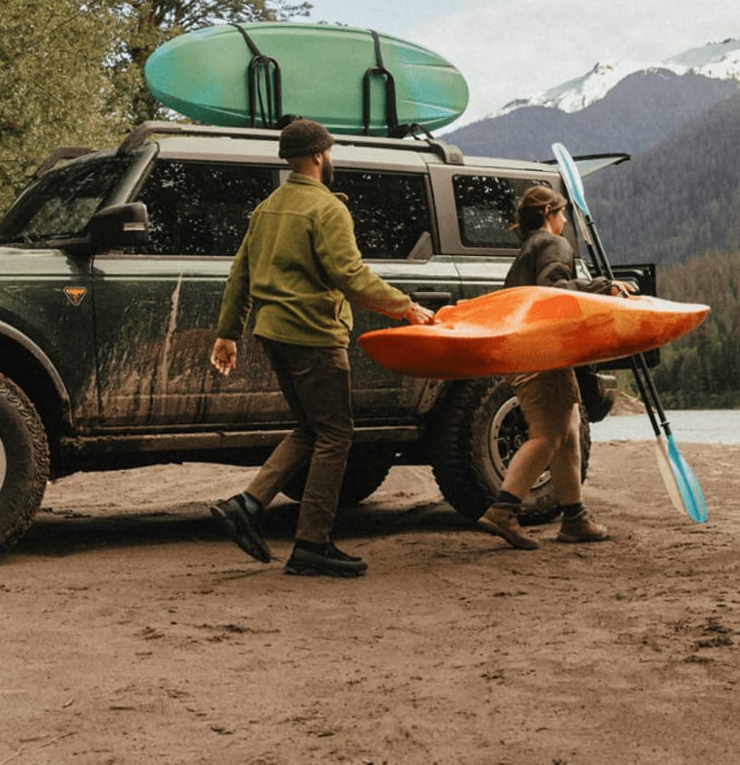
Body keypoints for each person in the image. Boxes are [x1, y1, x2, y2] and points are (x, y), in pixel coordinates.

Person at [209, 118, 436, 578]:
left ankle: (248, 504)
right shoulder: (327, 209)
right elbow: (350, 275)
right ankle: (312, 542)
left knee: (313, 428)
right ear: (319, 155)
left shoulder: (269, 207)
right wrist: (405, 307)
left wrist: (228, 333)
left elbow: (240, 274)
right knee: (336, 435)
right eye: (329, 151)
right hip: (314, 335)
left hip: (273, 332)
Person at [477, 185, 634, 550]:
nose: (564, 221)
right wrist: (603, 287)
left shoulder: (527, 248)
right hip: (544, 353)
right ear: (550, 213)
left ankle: (574, 517)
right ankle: (504, 509)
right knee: (548, 434)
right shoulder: (552, 244)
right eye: (561, 214)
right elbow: (555, 289)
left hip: (526, 351)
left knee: (568, 428)